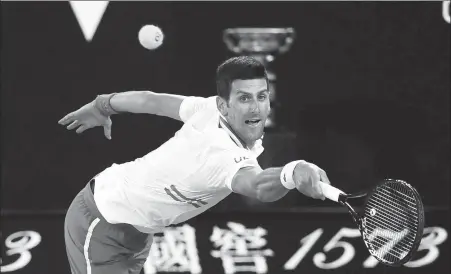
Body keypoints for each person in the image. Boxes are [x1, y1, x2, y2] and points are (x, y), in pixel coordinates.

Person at [59, 56, 332, 274]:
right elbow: (258, 186)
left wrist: (103, 105)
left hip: (136, 232)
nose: (256, 109)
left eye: (262, 96)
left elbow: (150, 101)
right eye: (244, 98)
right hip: (101, 221)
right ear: (224, 106)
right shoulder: (219, 151)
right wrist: (291, 172)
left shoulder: (208, 109)